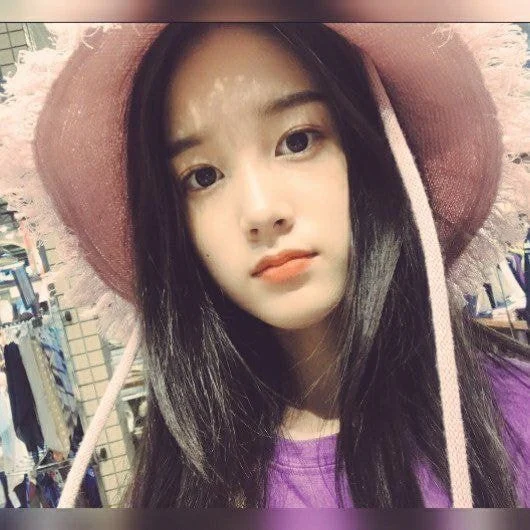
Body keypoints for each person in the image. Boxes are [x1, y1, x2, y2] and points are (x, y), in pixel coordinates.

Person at [1, 23, 529, 508]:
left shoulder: (513, 416)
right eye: (203, 176)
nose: (260, 212)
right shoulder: (180, 488)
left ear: (376, 148)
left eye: (297, 141)